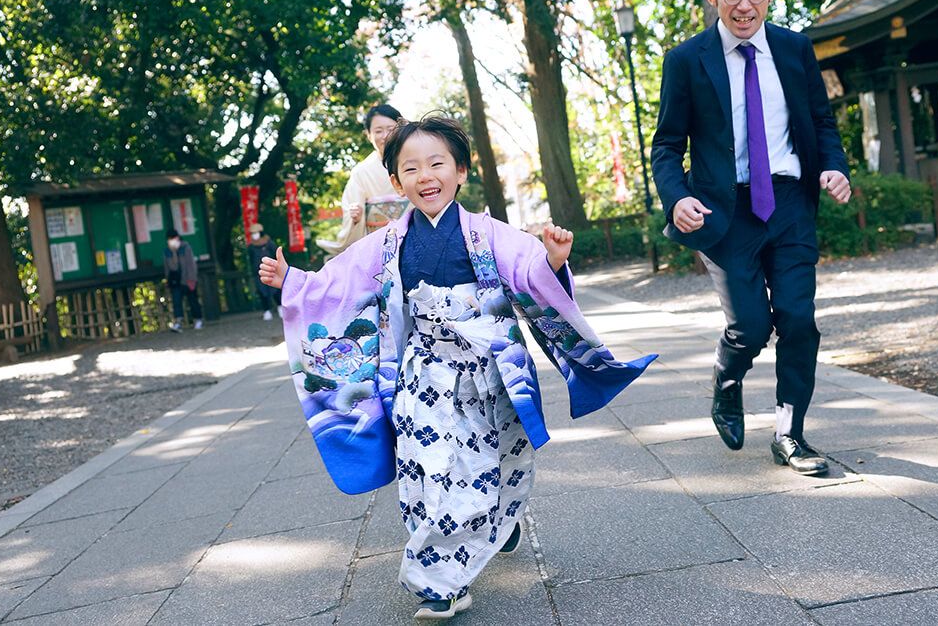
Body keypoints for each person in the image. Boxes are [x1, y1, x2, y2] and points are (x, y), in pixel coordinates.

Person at [261, 115, 656, 620]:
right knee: (426, 470)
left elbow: (531, 275)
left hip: (486, 373)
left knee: (484, 467)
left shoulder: (490, 233)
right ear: (396, 181)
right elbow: (337, 286)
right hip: (422, 373)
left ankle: (476, 539)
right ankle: (443, 581)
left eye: (436, 163)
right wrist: (293, 281)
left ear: (461, 171)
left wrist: (553, 261)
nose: (425, 175)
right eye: (410, 168)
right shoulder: (385, 243)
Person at [651, 0, 851, 476]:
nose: (744, 6)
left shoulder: (794, 49)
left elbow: (822, 123)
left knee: (799, 319)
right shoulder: (686, 60)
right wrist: (679, 198)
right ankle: (728, 382)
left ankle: (790, 433)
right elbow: (667, 146)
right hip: (723, 211)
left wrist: (834, 167)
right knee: (751, 327)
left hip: (788, 203)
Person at [316, 103, 410, 257]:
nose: (385, 136)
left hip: (415, 240)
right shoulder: (361, 172)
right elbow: (351, 207)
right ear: (368, 135)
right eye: (378, 131)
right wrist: (356, 217)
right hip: (378, 247)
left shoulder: (415, 160)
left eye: (391, 129)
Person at [164, 228, 204, 332]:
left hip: (187, 278)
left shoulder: (185, 247)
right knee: (177, 301)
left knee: (192, 300)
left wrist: (192, 279)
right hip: (175, 280)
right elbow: (167, 267)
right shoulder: (167, 251)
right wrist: (168, 280)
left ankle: (198, 319)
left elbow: (191, 264)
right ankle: (178, 322)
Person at [246, 222, 281, 320]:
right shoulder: (251, 246)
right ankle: (267, 311)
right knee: (262, 292)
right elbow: (251, 259)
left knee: (276, 291)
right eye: (253, 233)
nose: (254, 235)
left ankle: (280, 308)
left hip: (271, 270)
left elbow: (276, 255)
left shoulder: (269, 243)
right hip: (258, 273)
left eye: (256, 233)